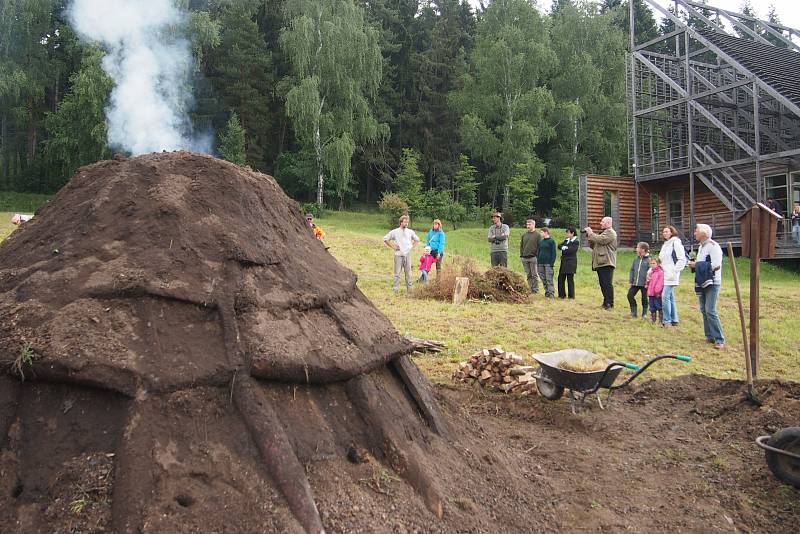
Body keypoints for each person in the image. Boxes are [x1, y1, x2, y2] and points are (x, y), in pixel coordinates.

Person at [688, 224, 725, 349]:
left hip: (712, 281)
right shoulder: (701, 247)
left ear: (703, 233)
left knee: (710, 310)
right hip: (702, 280)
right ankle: (710, 336)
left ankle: (720, 339)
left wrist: (696, 265)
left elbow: (716, 264)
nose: (694, 233)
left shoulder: (714, 247)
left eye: (696, 231)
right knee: (704, 309)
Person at [584, 216, 617, 309]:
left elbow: (601, 240)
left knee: (607, 283)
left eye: (602, 222)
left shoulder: (611, 232)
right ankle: (605, 302)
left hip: (607, 262)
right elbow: (594, 245)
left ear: (608, 223)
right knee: (603, 284)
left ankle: (610, 303)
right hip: (601, 262)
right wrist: (590, 238)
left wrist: (591, 233)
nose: (600, 223)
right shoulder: (603, 233)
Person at [383, 215, 420, 293]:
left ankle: (410, 290)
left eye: (407, 222)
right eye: (405, 222)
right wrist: (393, 246)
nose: (406, 224)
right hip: (398, 255)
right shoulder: (395, 231)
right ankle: (395, 290)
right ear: (401, 222)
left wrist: (411, 247)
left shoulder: (410, 232)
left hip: (408, 255)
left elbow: (417, 239)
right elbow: (385, 239)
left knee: (408, 273)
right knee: (397, 273)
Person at [658, 225, 687, 327]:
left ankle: (667, 320)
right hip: (664, 274)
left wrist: (675, 271)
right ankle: (674, 318)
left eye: (667, 231)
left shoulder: (676, 242)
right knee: (670, 297)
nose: (664, 233)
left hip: (671, 274)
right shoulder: (665, 245)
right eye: (663, 232)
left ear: (672, 232)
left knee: (665, 296)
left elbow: (682, 259)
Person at [627, 242, 650, 319]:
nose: (636, 249)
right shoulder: (636, 259)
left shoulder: (649, 260)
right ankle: (633, 312)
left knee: (644, 298)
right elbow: (632, 270)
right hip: (635, 283)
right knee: (630, 295)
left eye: (638, 247)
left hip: (644, 284)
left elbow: (651, 273)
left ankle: (644, 314)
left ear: (643, 249)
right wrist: (631, 280)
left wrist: (648, 282)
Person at [519, 218, 540, 293]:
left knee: (534, 275)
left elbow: (539, 246)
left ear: (534, 225)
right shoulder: (524, 235)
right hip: (525, 258)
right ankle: (530, 288)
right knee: (528, 274)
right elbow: (521, 246)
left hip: (533, 257)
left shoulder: (538, 235)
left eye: (529, 224)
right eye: (527, 224)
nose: (528, 226)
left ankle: (535, 289)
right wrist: (521, 255)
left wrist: (537, 256)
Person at [557, 227, 579, 299]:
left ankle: (571, 296)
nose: (567, 234)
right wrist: (564, 247)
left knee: (570, 279)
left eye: (568, 232)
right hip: (563, 262)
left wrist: (564, 248)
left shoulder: (576, 241)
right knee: (561, 278)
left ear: (572, 233)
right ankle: (561, 295)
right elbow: (559, 246)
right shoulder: (567, 240)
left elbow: (571, 251)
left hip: (570, 263)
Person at [536, 227, 556, 298]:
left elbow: (553, 253)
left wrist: (551, 263)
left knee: (549, 279)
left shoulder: (551, 241)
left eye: (541, 232)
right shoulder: (541, 242)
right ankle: (547, 292)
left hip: (548, 264)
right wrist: (538, 261)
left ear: (546, 232)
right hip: (540, 263)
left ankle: (551, 293)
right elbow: (538, 252)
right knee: (543, 278)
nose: (540, 233)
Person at [646, 257, 664, 324]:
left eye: (654, 263)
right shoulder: (651, 272)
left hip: (657, 294)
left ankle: (661, 320)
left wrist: (657, 291)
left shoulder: (660, 272)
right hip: (651, 293)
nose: (652, 265)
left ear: (658, 264)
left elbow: (660, 283)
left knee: (659, 306)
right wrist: (647, 285)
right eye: (651, 263)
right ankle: (653, 320)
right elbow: (649, 282)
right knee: (652, 307)